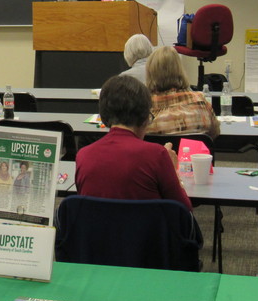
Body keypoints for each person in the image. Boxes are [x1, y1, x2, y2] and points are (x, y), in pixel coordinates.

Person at [75, 75, 192, 210]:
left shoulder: (83, 155)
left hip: (97, 224)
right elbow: (183, 209)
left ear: (103, 115)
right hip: (147, 224)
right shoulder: (157, 155)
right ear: (144, 118)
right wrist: (174, 172)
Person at [146, 46, 220, 139]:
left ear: (150, 73)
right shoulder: (200, 101)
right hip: (194, 148)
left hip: (161, 148)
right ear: (180, 70)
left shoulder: (145, 109)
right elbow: (215, 133)